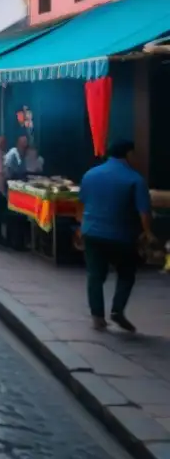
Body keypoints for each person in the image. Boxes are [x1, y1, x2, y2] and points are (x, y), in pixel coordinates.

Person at [79, 140, 155, 332]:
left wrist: (82, 227)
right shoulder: (135, 179)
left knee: (95, 276)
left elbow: (81, 205)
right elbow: (144, 212)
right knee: (126, 274)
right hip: (121, 235)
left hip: (92, 232)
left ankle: (97, 317)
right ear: (128, 154)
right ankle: (117, 310)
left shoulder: (90, 174)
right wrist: (148, 234)